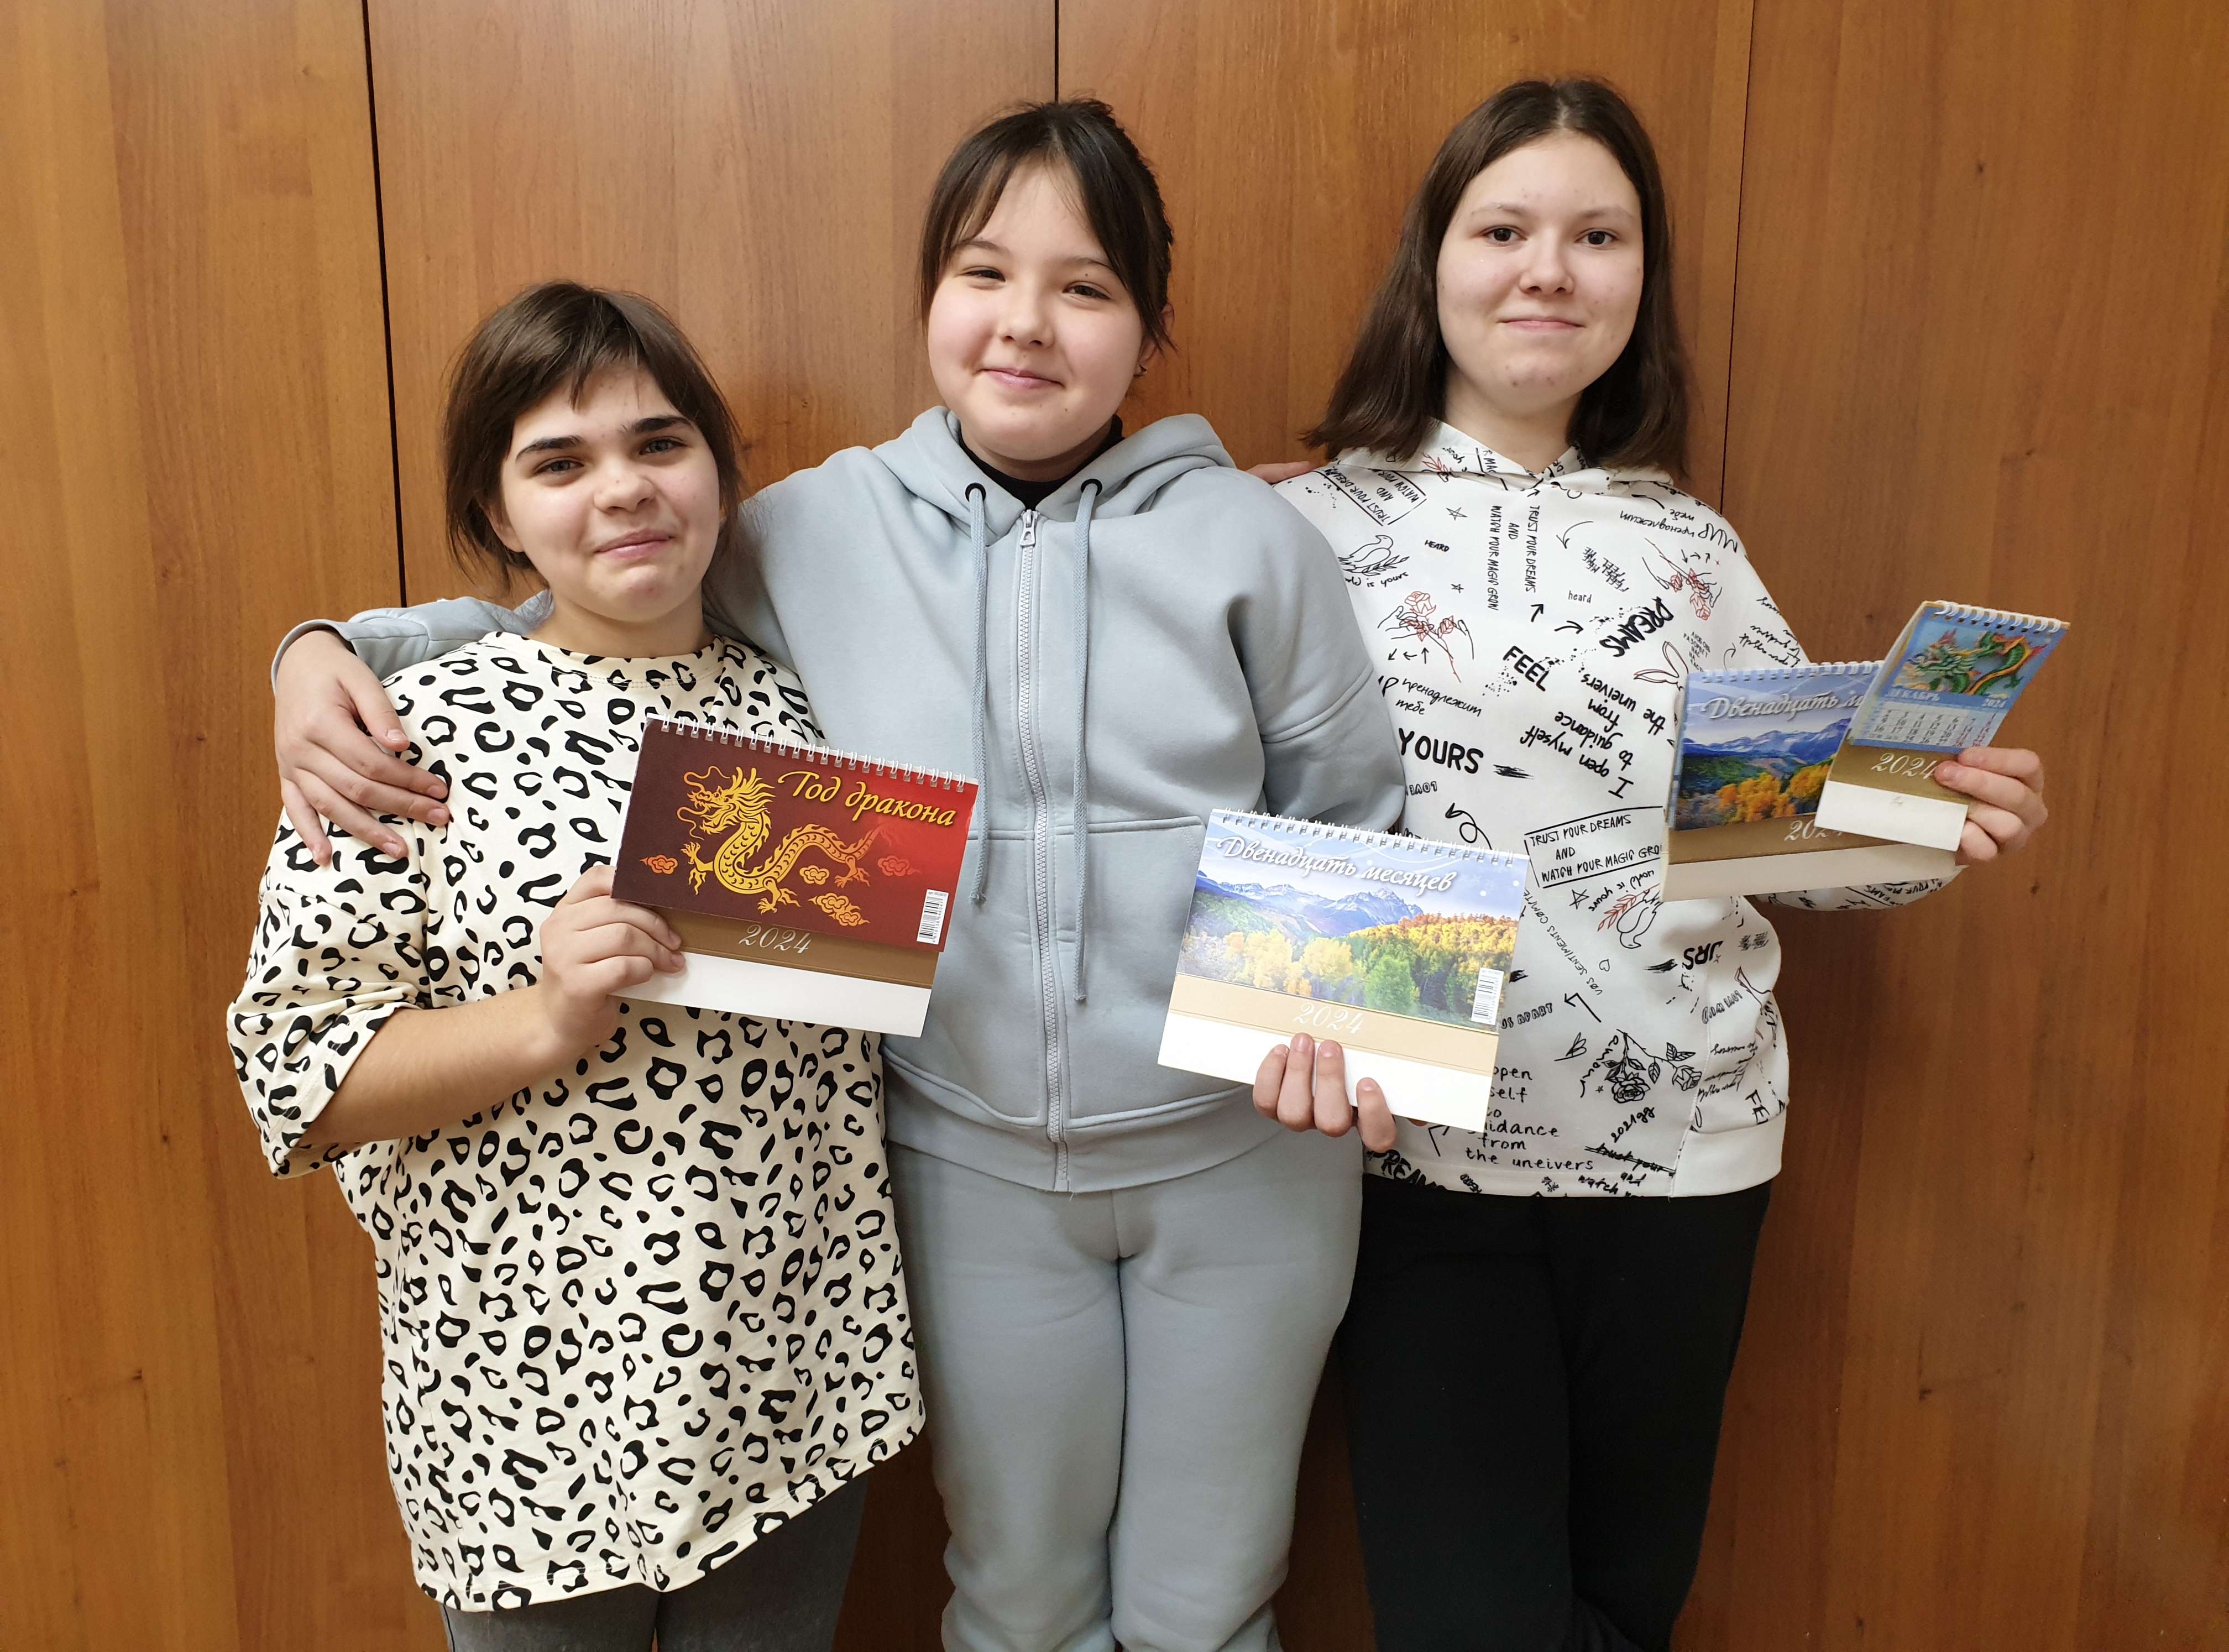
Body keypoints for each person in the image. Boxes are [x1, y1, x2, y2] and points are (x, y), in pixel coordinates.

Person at [264, 102, 1404, 1652]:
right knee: (1017, 1597)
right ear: (929, 296)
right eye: (983, 272)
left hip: (1241, 1159)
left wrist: (1354, 1036)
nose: (1025, 321)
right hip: (966, 1159)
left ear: (1148, 328)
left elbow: (1351, 819)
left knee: (1212, 1604)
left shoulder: (1255, 539)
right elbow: (587, 600)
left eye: (1084, 286)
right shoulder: (804, 531)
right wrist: (326, 650)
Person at [1249, 80, 2051, 1652]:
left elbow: (1781, 842)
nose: (1549, 270)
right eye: (1504, 230)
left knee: (1630, 1604)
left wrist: (1936, 822)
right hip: (1419, 1165)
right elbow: (1223, 811)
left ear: (1641, 277)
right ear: (1434, 262)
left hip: (1691, 1152)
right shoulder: (1295, 528)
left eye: (1598, 237)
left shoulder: (1697, 552)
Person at [228, 282, 916, 1651]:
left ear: (719, 473)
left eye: (661, 443)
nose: (624, 489)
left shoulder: (811, 711)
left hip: (794, 1385)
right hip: (522, 1421)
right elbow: (300, 1077)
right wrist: (545, 1019)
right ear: (499, 514)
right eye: (560, 461)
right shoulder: (404, 736)